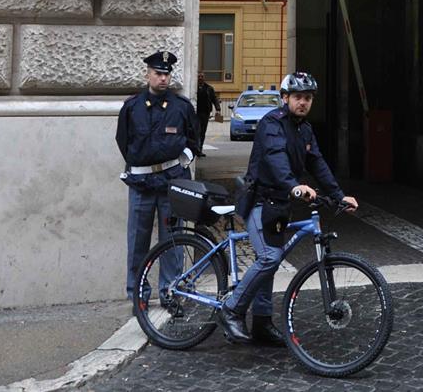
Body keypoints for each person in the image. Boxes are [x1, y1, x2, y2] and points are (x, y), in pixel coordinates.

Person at [216, 71, 358, 346]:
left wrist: (339, 196)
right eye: (297, 97)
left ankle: (261, 323)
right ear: (285, 98)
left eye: (307, 98)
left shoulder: (305, 129)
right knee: (269, 257)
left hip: (279, 205)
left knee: (271, 261)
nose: (303, 102)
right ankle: (231, 309)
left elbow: (317, 163)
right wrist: (295, 186)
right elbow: (275, 158)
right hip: (259, 200)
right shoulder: (272, 123)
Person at [116, 50, 200, 302]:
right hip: (141, 184)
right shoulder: (132, 107)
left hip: (171, 184)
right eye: (158, 73)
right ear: (148, 75)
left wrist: (181, 163)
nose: (163, 78)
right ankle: (138, 295)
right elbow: (123, 141)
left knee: (172, 241)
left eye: (166, 74)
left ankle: (170, 291)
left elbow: (194, 141)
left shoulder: (182, 107)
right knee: (137, 242)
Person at [195, 73, 221, 156]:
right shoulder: (193, 87)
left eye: (202, 76)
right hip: (196, 113)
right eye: (199, 76)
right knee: (197, 131)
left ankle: (200, 149)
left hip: (205, 113)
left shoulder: (209, 88)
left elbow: (214, 99)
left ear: (204, 78)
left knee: (202, 132)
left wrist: (218, 109)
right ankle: (196, 148)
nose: (200, 78)